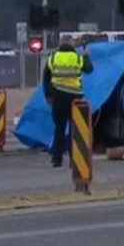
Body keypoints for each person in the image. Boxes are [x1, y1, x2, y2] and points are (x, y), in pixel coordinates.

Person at [42, 36, 94, 167]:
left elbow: (46, 77)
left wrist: (48, 95)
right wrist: (86, 56)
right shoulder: (77, 57)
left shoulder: (53, 57)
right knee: (75, 130)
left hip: (58, 97)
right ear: (72, 44)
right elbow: (89, 69)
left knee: (59, 128)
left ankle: (57, 159)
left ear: (60, 44)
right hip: (74, 98)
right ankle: (74, 159)